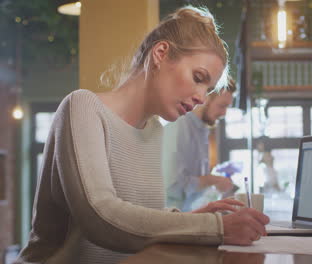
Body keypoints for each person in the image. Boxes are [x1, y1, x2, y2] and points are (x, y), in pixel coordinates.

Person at [14, 6, 269, 264]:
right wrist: (213, 227)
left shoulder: (154, 130)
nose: (201, 98)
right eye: (198, 77)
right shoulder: (82, 107)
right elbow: (100, 217)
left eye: (208, 89)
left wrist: (191, 219)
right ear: (160, 54)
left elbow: (140, 220)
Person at [163, 78, 236, 212]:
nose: (224, 113)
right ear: (205, 98)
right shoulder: (179, 125)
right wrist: (211, 180)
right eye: (222, 106)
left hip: (191, 216)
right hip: (173, 219)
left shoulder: (202, 130)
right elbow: (171, 187)